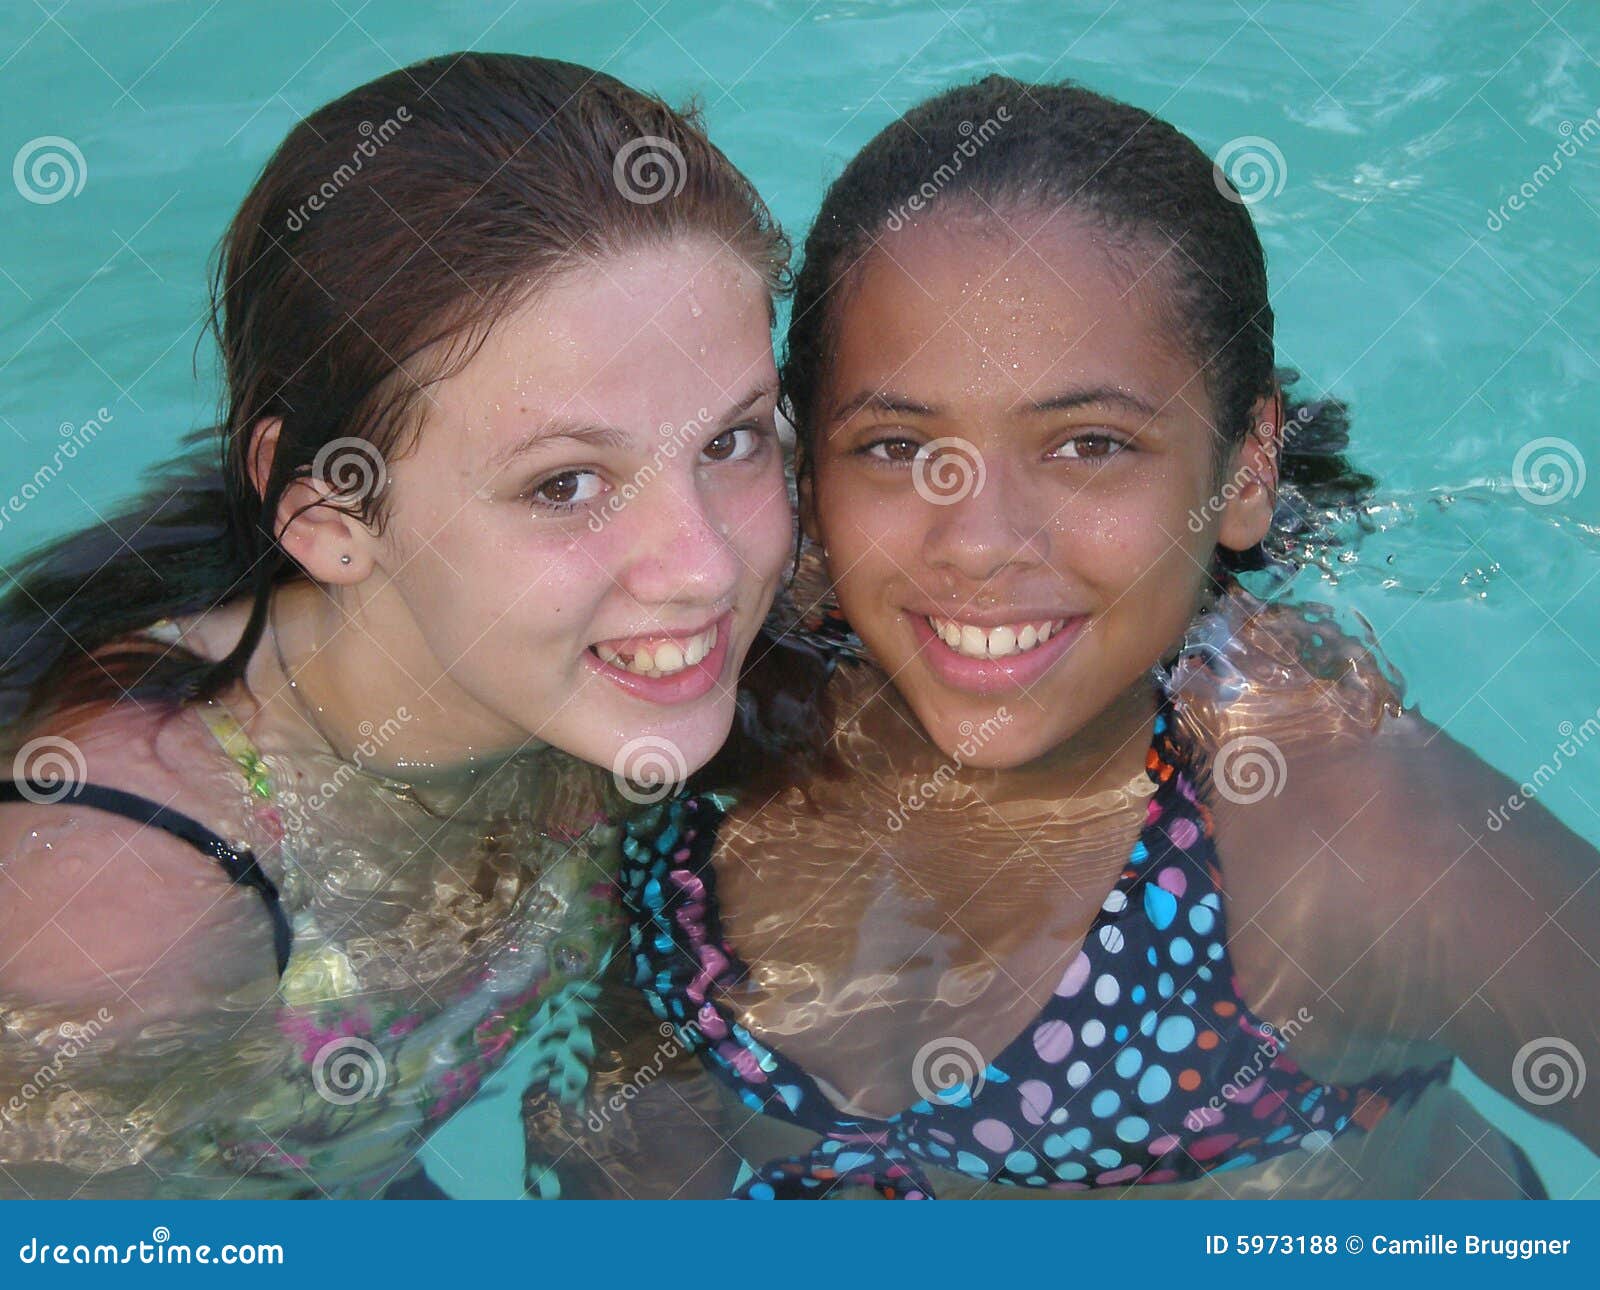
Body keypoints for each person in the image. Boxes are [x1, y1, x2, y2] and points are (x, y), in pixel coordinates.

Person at [607, 76, 1600, 1199]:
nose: (979, 543)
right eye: (893, 446)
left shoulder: (1349, 840)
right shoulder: (701, 684)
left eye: (1088, 445)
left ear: (1245, 467)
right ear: (806, 472)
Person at [0, 51, 793, 1198]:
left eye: (732, 438)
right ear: (326, 515)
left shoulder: (630, 633)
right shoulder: (129, 912)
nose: (705, 566)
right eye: (564, 484)